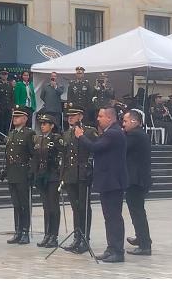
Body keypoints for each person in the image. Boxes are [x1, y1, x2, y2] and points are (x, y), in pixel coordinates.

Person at [75, 106, 127, 263]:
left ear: (109, 118)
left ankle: (118, 251)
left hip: (113, 181)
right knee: (109, 217)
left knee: (114, 217)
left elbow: (95, 147)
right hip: (108, 181)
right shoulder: (111, 132)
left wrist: (81, 136)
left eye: (100, 116)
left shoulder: (113, 133)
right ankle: (111, 248)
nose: (98, 119)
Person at [60, 104, 96, 254]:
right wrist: (62, 176)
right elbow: (64, 156)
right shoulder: (66, 133)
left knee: (83, 207)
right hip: (70, 175)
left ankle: (85, 238)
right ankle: (77, 237)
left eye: (74, 115)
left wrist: (91, 170)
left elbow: (95, 150)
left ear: (81, 116)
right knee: (75, 208)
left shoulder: (89, 131)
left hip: (83, 174)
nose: (70, 118)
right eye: (69, 115)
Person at [0, 105, 35, 245]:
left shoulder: (29, 134)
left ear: (25, 119)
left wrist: (31, 172)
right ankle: (18, 231)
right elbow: (8, 155)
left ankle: (25, 231)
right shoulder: (11, 134)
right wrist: (5, 170)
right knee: (16, 204)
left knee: (24, 204)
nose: (15, 118)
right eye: (14, 116)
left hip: (23, 172)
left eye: (18, 116)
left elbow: (34, 155)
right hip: (12, 172)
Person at [123, 109, 152, 256]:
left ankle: (145, 244)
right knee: (137, 211)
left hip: (136, 180)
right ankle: (141, 237)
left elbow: (123, 148)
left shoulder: (134, 135)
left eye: (125, 121)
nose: (123, 124)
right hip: (139, 179)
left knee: (137, 212)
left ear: (134, 121)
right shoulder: (139, 133)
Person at [33, 113, 63, 248]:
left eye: (45, 124)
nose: (43, 126)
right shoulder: (38, 139)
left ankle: (54, 235)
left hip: (52, 176)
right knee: (46, 207)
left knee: (53, 207)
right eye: (41, 124)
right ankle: (47, 234)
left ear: (52, 126)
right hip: (42, 175)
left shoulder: (56, 139)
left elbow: (62, 155)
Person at [0, 69, 14, 140]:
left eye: (5, 74)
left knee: (8, 122)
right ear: (0, 75)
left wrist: (12, 106)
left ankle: (6, 136)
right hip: (1, 106)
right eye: (3, 74)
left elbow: (12, 96)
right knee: (1, 122)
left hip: (8, 106)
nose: (4, 76)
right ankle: (0, 136)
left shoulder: (9, 84)